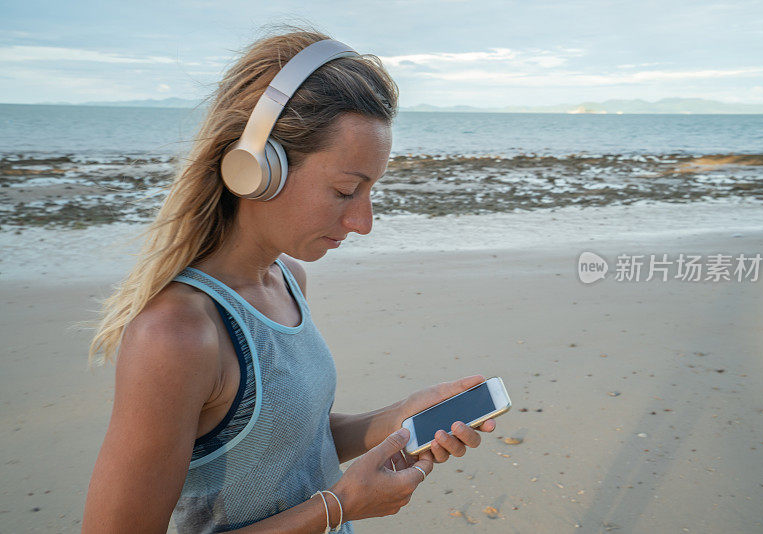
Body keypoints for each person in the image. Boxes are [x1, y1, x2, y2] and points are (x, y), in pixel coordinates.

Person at [81, 28, 496, 533]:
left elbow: (292, 442)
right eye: (346, 190)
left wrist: (399, 420)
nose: (364, 222)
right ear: (256, 169)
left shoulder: (288, 279)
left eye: (370, 191)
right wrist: (337, 508)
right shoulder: (176, 335)